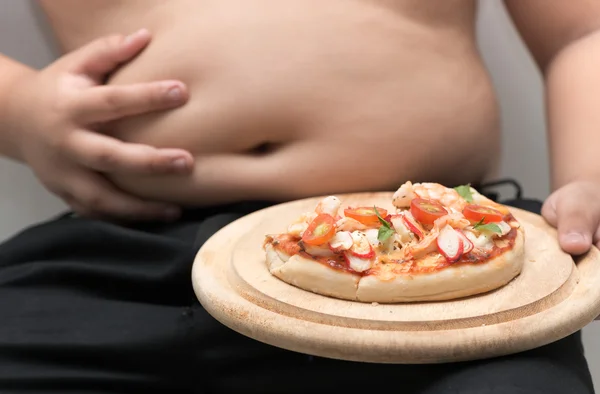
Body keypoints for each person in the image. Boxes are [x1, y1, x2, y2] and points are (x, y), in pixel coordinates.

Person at [0, 0, 597, 392]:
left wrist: (590, 177)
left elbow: (583, 29)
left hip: (436, 280)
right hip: (114, 261)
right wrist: (19, 107)